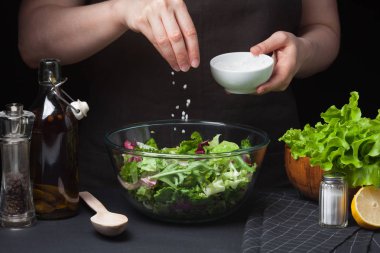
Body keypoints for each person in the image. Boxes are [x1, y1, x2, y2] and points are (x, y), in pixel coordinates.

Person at [17, 0, 340, 189]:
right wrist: (122, 10)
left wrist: (304, 50)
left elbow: (323, 28)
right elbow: (34, 39)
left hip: (263, 182)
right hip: (118, 183)